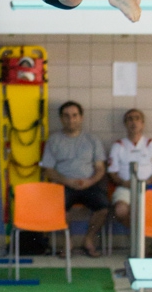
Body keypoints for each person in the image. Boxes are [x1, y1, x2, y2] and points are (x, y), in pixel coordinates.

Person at [41, 100, 109, 257]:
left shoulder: (93, 140)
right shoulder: (54, 140)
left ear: (81, 117)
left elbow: (100, 168)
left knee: (104, 207)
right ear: (61, 118)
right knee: (60, 208)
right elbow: (49, 170)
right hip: (63, 184)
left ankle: (89, 240)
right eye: (66, 116)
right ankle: (68, 243)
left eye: (74, 115)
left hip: (88, 183)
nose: (71, 120)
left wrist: (90, 181)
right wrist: (67, 181)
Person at [108, 109, 152, 228]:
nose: (134, 122)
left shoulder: (151, 144)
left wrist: (147, 182)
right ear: (125, 124)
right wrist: (124, 182)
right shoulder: (118, 145)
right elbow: (112, 173)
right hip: (125, 188)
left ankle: (142, 242)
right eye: (130, 119)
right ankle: (139, 241)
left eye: (137, 119)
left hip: (148, 188)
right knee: (120, 211)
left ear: (142, 123)